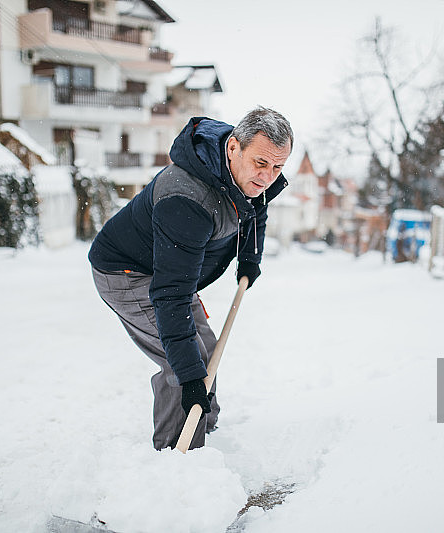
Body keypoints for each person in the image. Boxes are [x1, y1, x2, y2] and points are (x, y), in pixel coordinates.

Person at [88, 107, 293, 450]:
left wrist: (249, 258)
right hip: (126, 272)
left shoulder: (244, 173)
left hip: (167, 268)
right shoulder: (186, 197)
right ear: (233, 148)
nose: (268, 176)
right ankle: (176, 455)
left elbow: (256, 208)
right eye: (261, 163)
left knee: (206, 353)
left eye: (278, 167)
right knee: (183, 365)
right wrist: (189, 377)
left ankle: (203, 425)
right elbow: (170, 295)